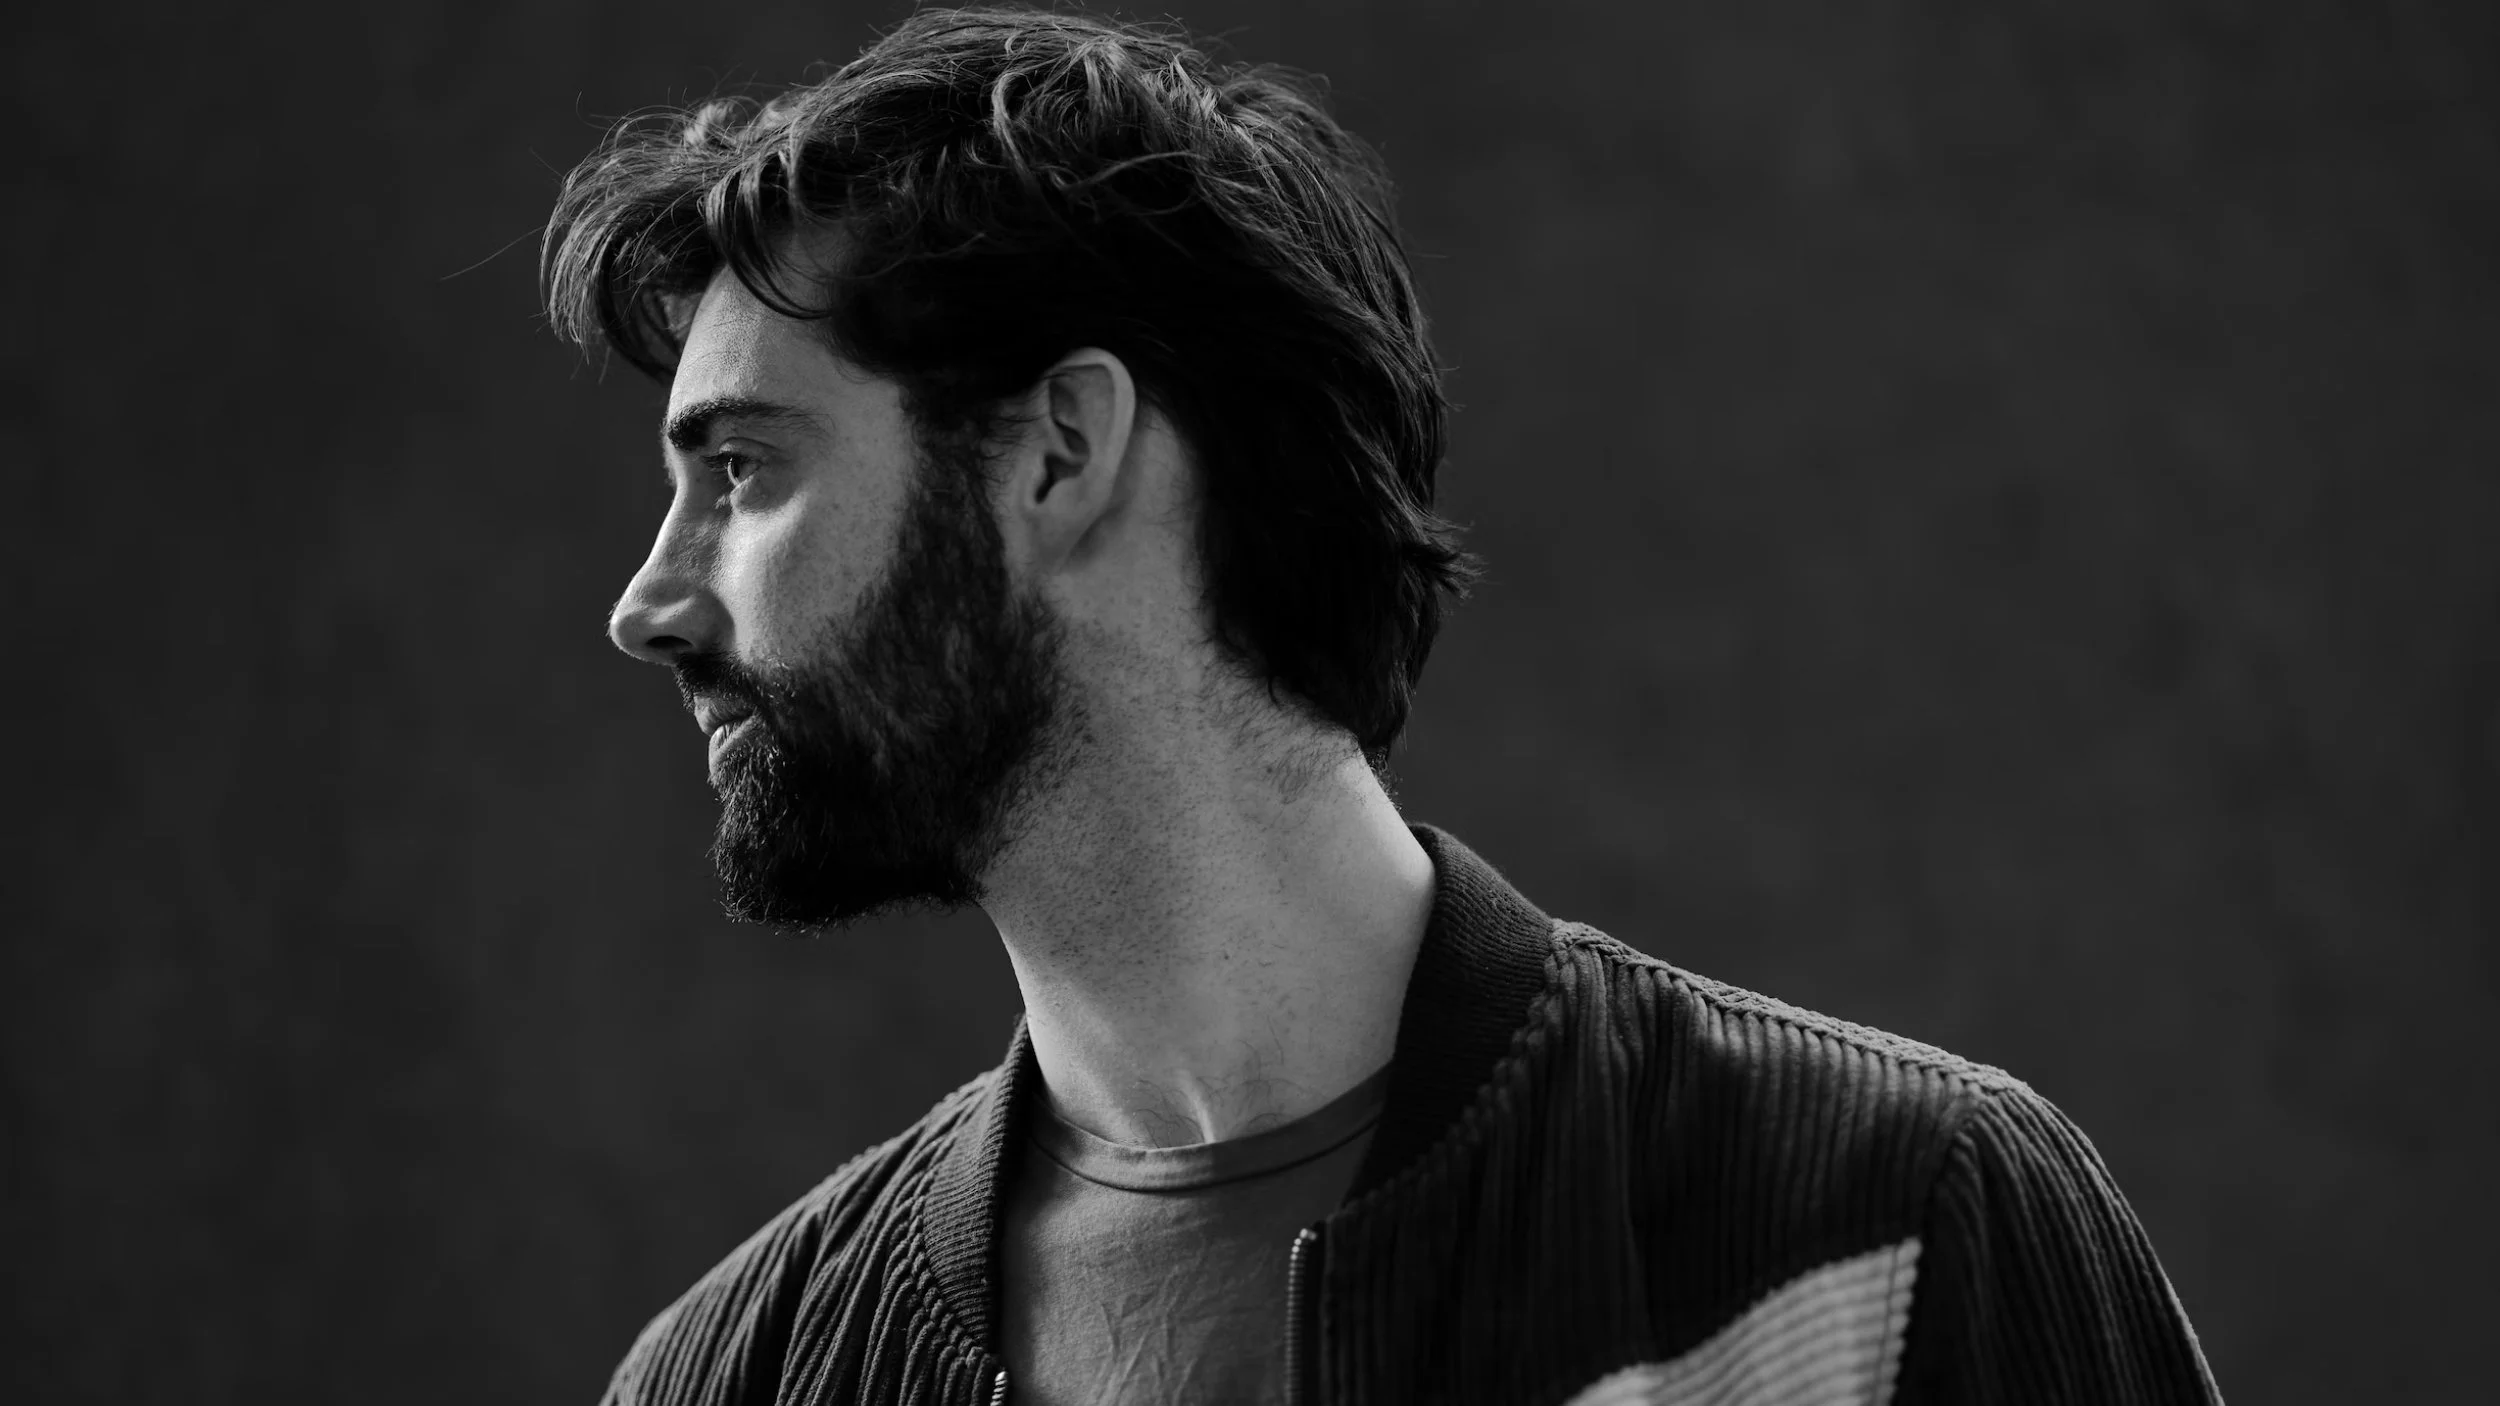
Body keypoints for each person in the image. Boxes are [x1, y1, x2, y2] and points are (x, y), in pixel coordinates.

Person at [545, 6, 2222, 1403]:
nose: (649, 602)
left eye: (746, 473)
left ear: (1062, 449)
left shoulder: (1895, 1234)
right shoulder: (737, 1374)